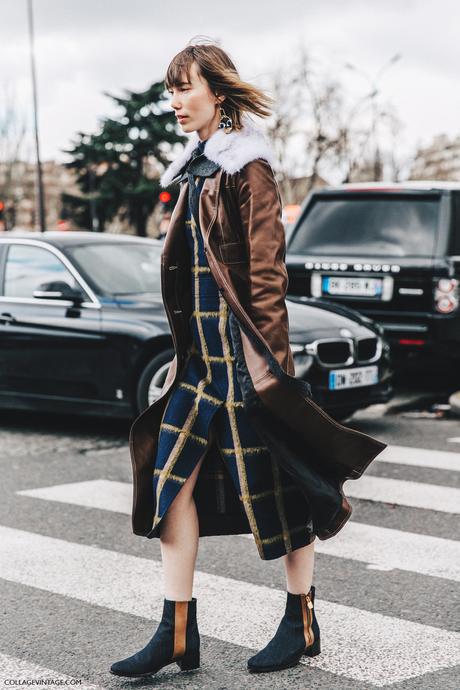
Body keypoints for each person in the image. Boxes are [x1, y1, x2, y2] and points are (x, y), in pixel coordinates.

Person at [110, 38, 387, 679]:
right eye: (170, 89)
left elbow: (266, 276)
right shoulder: (197, 169)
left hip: (241, 363)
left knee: (280, 491)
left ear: (219, 91)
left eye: (186, 87)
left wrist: (274, 370)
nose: (175, 101)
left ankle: (301, 620)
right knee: (167, 482)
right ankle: (177, 631)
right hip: (198, 368)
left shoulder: (247, 168)